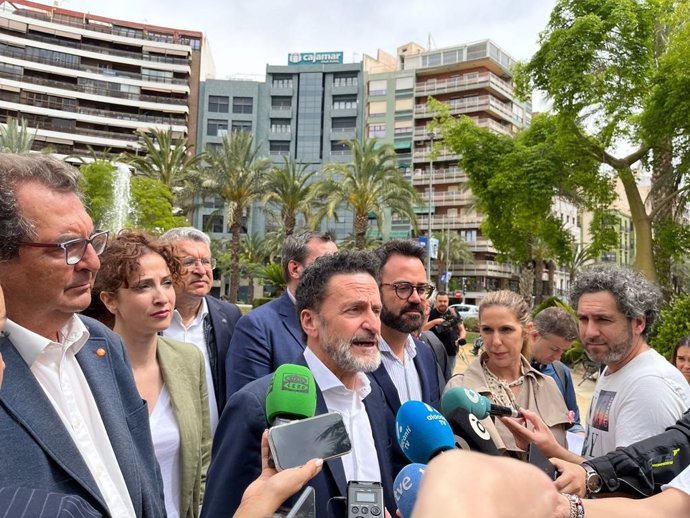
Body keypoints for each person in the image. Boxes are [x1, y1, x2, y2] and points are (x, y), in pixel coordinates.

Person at [0, 154, 164, 517]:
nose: (93, 261)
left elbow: (146, 481)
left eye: (92, 241)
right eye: (69, 247)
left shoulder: (104, 345)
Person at [201, 251, 396, 518]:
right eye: (355, 309)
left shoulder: (373, 397)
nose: (373, 325)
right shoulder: (256, 406)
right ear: (309, 321)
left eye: (376, 310)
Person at [503, 265, 690, 467]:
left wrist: (553, 452)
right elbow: (608, 471)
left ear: (638, 323)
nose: (590, 331)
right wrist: (549, 449)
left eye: (603, 319)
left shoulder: (649, 387)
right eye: (583, 319)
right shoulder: (613, 368)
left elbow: (631, 488)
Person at [95, 230, 211, 518]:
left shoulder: (188, 360)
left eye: (167, 283)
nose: (162, 297)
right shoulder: (88, 366)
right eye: (144, 286)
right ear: (110, 300)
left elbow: (202, 458)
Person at [445, 290, 571, 457]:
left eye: (506, 330)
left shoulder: (548, 385)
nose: (496, 341)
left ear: (527, 331)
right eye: (487, 330)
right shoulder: (460, 390)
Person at [225, 230, 337, 397]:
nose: (337, 271)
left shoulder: (344, 322)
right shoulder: (256, 326)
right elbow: (249, 405)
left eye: (338, 262)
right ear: (294, 268)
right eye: (325, 262)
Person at [370, 240, 442, 472]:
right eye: (402, 288)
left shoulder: (426, 354)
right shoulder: (355, 361)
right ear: (376, 289)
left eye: (422, 289)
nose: (415, 298)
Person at [160, 227, 241, 428]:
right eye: (189, 262)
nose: (201, 270)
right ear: (166, 267)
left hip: (215, 448)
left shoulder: (229, 317)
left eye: (206, 261)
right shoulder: (149, 318)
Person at [529, 306, 584, 433]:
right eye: (554, 349)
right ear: (534, 335)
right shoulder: (507, 369)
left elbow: (574, 422)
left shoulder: (561, 371)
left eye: (563, 351)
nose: (558, 357)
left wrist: (579, 435)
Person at [424, 292, 466, 374]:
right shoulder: (430, 314)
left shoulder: (453, 312)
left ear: (448, 301)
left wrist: (461, 338)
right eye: (440, 301)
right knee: (435, 375)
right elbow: (422, 329)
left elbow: (462, 330)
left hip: (451, 351)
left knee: (448, 376)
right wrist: (434, 322)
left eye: (445, 301)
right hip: (434, 352)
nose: (442, 303)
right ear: (436, 301)